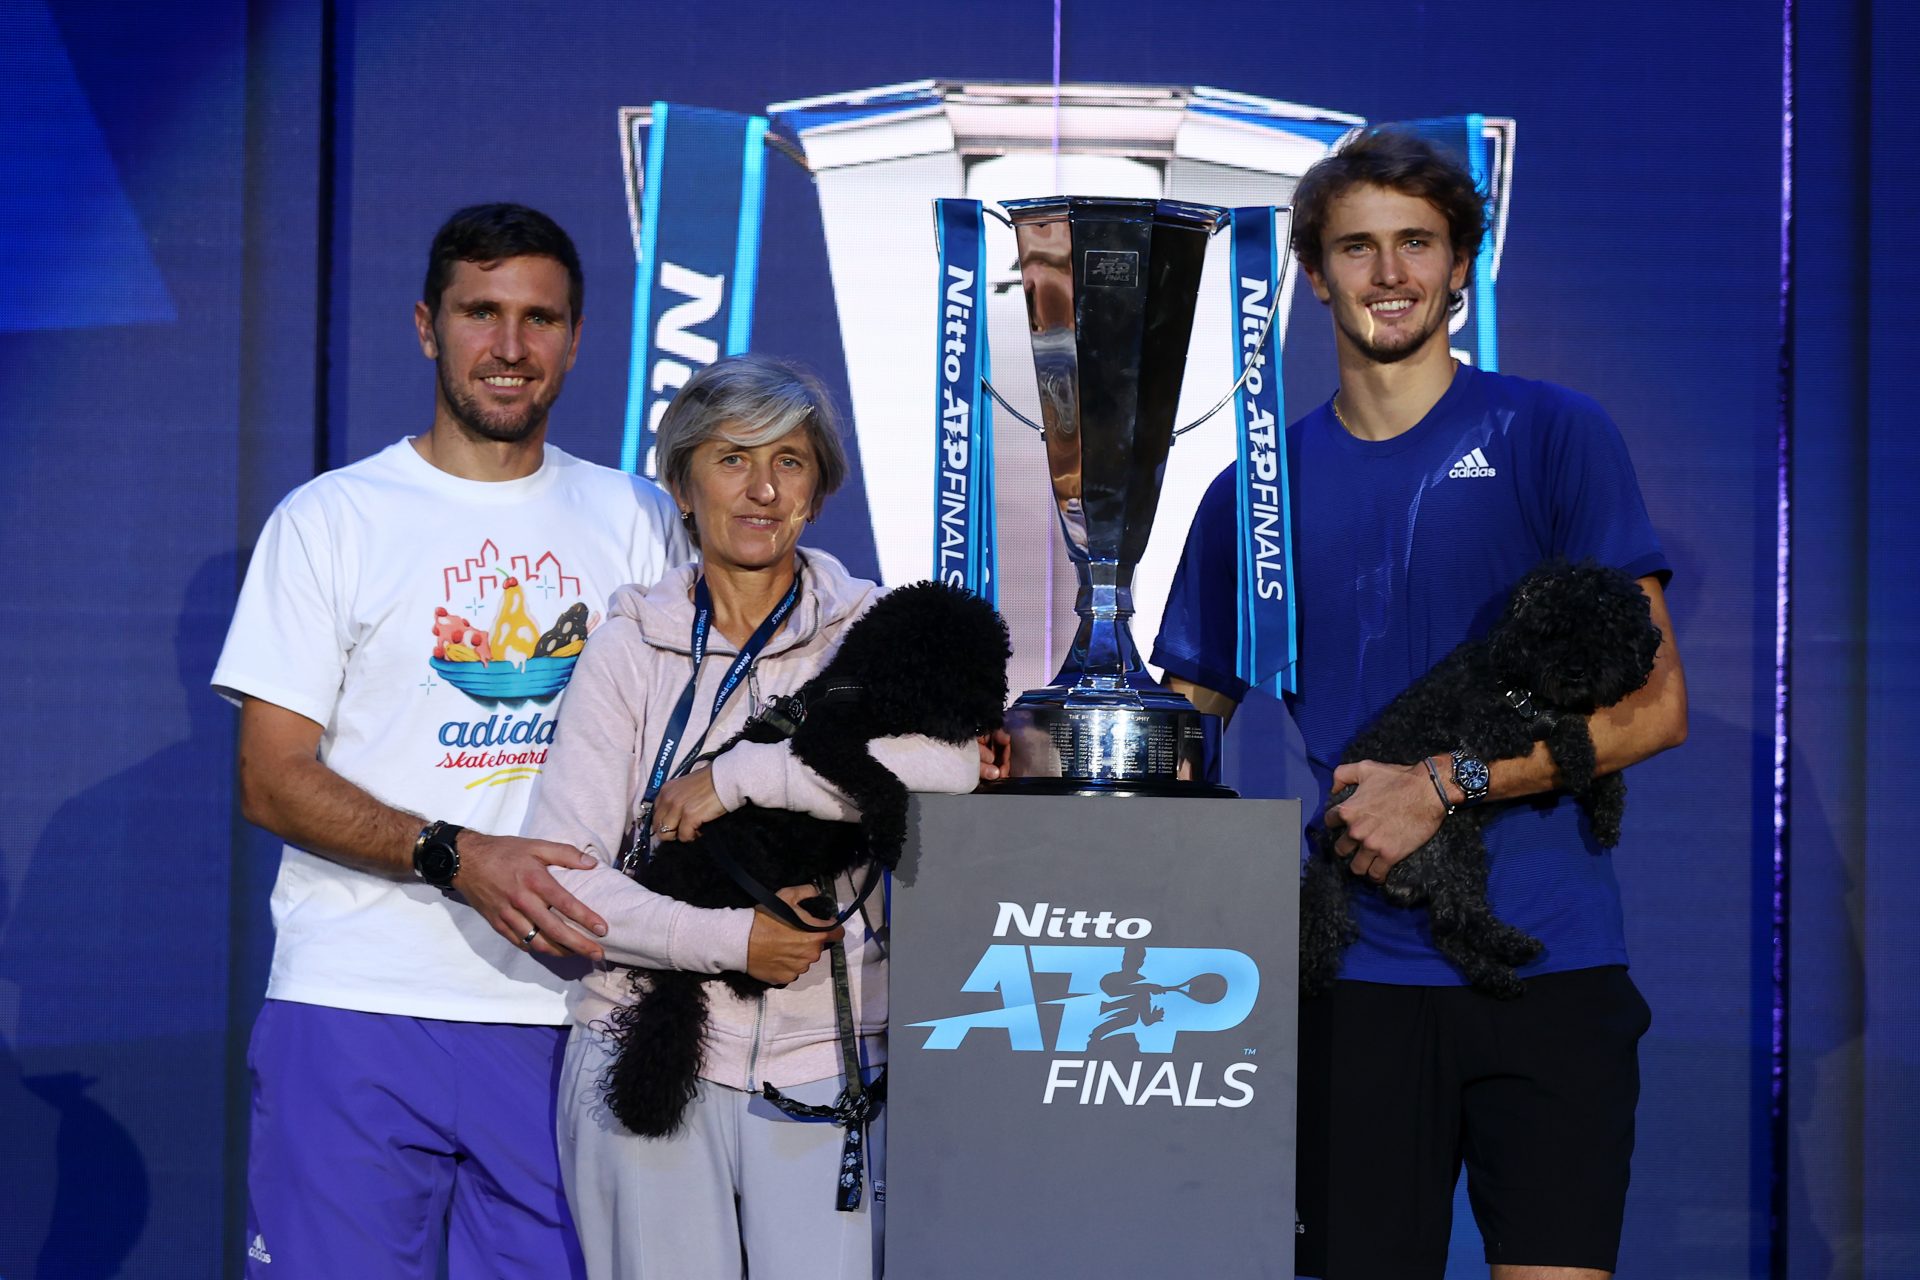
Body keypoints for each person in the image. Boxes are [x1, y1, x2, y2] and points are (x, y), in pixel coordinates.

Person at [1152, 128, 1688, 1280]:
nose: (1388, 272)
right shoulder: (1252, 489)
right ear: (1312, 273)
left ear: (1460, 267)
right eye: (1357, 246)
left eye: (1415, 243)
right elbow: (1178, 725)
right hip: (1352, 986)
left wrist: (1449, 781)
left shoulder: (1554, 434)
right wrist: (1041, 767)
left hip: (1550, 971)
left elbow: (1654, 709)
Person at [213, 203, 690, 1278]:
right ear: (428, 326)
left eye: (539, 318)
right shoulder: (330, 520)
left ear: (576, 336)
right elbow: (271, 777)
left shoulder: (639, 518)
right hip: (356, 1004)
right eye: (482, 313)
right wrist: (457, 854)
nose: (510, 347)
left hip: (574, 1010)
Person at [520, 353, 981, 1280]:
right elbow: (567, 879)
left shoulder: (870, 627)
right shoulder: (626, 649)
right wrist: (736, 941)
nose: (763, 489)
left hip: (829, 1056)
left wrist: (749, 778)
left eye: (791, 463)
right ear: (683, 484)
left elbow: (951, 768)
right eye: (732, 459)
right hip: (643, 1045)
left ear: (818, 491)